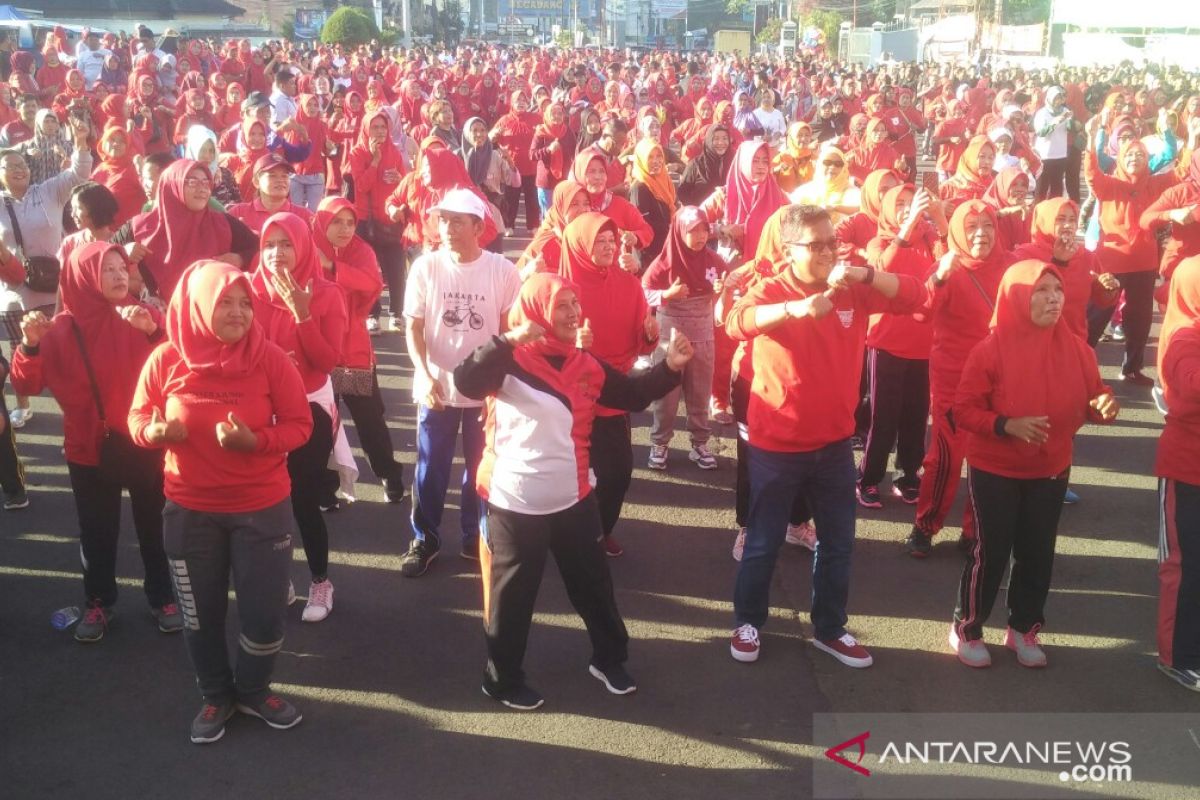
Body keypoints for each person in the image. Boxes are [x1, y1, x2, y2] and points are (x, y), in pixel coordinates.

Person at [453, 272, 692, 710]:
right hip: (515, 502)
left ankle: (609, 659)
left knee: (594, 586)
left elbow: (633, 394)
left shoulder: (587, 364)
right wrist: (507, 339)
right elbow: (464, 381)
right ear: (537, 309)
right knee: (513, 598)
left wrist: (671, 367)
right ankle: (501, 679)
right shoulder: (508, 361)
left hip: (574, 498)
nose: (572, 313)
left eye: (574, 304)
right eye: (561, 304)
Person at [725, 203, 924, 668]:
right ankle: (748, 621)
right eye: (816, 245)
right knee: (762, 542)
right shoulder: (773, 287)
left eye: (832, 243)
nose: (828, 252)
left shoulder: (852, 289)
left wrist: (866, 275)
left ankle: (829, 629)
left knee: (838, 543)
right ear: (790, 249)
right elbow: (736, 321)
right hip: (777, 444)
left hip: (834, 444)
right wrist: (795, 309)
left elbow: (914, 297)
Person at [128, 260, 312, 744]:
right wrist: (154, 432)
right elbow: (136, 417)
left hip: (262, 508)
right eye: (225, 302)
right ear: (197, 305)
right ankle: (215, 694)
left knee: (265, 615)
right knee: (199, 613)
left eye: (245, 303)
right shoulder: (166, 359)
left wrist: (257, 442)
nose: (238, 312)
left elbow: (301, 425)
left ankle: (253, 690)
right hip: (190, 510)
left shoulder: (270, 358)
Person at [950, 261, 1118, 668]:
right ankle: (966, 628)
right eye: (1041, 290)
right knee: (990, 551)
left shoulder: (1078, 347)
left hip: (1051, 467)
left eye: (1057, 290)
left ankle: (1023, 628)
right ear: (1016, 296)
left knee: (1037, 552)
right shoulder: (990, 349)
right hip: (996, 469)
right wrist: (1006, 424)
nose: (1053, 298)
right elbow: (963, 410)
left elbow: (1095, 395)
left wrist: (1104, 406)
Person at [10, 242, 178, 642]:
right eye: (108, 269)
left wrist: (154, 331)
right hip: (89, 445)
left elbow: (179, 369)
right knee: (97, 530)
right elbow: (25, 385)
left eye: (123, 267)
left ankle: (163, 597)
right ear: (83, 277)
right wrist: (30, 344)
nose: (121, 276)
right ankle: (98, 602)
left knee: (155, 526)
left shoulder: (141, 314)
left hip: (144, 439)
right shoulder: (59, 329)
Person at [401, 189, 520, 577]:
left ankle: (475, 535)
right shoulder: (425, 267)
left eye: (456, 221)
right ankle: (425, 537)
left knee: (479, 468)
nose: (446, 228)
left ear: (478, 227)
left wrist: (501, 385)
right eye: (442, 219)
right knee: (429, 468)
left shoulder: (503, 270)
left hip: (484, 394)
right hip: (436, 388)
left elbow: (508, 333)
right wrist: (422, 371)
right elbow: (413, 326)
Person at [250, 212, 348, 622]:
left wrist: (302, 314)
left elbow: (328, 361)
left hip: (308, 407)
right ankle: (279, 579)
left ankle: (320, 581)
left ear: (303, 246)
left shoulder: (325, 293)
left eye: (286, 244)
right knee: (266, 502)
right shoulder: (247, 290)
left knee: (303, 499)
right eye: (269, 245)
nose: (276, 253)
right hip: (259, 408)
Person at [908, 201, 1014, 557]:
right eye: (971, 227)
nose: (981, 233)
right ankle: (925, 525)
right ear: (956, 231)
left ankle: (973, 531)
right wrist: (939, 277)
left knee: (987, 459)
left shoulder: (1011, 266)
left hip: (998, 378)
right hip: (953, 378)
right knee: (945, 458)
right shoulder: (947, 269)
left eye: (987, 225)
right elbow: (921, 314)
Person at [560, 212, 658, 555]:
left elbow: (643, 343)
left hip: (613, 389)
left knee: (617, 474)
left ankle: (601, 530)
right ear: (580, 245)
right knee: (569, 475)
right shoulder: (560, 288)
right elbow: (536, 345)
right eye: (598, 241)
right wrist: (573, 343)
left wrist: (650, 334)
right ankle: (568, 537)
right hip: (568, 394)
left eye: (611, 241)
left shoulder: (629, 283)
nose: (607, 247)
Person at [1, 115, 92, 430]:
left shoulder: (48, 191)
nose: (18, 167)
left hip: (53, 286)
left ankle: (72, 408)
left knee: (61, 349)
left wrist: (80, 143)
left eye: (22, 163)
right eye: (10, 165)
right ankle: (23, 404)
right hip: (14, 291)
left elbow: (79, 174)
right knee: (21, 347)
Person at [312, 196, 405, 503]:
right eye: (336, 221)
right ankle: (325, 487)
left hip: (353, 351)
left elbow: (372, 285)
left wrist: (331, 267)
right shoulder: (305, 247)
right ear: (322, 221)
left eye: (350, 222)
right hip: (315, 351)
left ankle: (389, 474)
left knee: (370, 420)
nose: (344, 229)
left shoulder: (361, 250)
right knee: (320, 423)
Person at [857, 185, 937, 508]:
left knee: (916, 417)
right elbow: (881, 271)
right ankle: (868, 478)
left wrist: (939, 220)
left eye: (911, 204)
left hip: (924, 344)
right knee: (882, 417)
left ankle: (908, 476)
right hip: (886, 343)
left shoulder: (931, 242)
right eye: (900, 204)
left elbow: (951, 259)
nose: (907, 209)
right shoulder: (879, 242)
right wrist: (904, 231)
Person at [1083, 139, 1178, 386]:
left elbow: (1181, 171)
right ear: (1121, 159)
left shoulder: (1155, 184)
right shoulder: (1109, 184)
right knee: (1096, 317)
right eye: (1129, 155)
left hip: (1145, 263)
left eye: (1139, 155)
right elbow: (1092, 175)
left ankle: (1132, 368)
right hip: (1112, 261)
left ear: (1148, 160)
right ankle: (1077, 365)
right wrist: (1093, 143)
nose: (1134, 158)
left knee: (1140, 319)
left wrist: (1187, 137)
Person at [642, 207, 726, 471]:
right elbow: (643, 293)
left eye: (704, 229)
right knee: (666, 393)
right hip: (671, 334)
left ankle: (700, 442)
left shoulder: (713, 260)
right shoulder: (664, 262)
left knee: (700, 391)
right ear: (679, 232)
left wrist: (723, 289)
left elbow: (724, 286)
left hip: (703, 333)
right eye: (693, 231)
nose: (701, 236)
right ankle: (660, 442)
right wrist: (667, 294)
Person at [117, 159, 257, 303]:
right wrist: (124, 252)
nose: (202, 189)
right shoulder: (140, 226)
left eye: (205, 182)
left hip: (211, 311)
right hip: (155, 319)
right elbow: (101, 257)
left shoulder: (223, 224)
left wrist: (240, 258)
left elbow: (259, 248)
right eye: (192, 182)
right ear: (172, 185)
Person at [1155, 256, 1200, 692]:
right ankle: (1177, 656)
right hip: (1185, 469)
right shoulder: (1184, 335)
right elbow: (1190, 388)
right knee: (1183, 566)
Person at [344, 109, 406, 331]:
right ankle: (373, 314)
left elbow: (404, 186)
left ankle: (397, 313)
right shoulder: (358, 153)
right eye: (374, 127)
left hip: (390, 219)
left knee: (396, 268)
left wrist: (400, 179)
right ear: (366, 129)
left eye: (383, 127)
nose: (379, 132)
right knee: (370, 270)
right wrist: (375, 161)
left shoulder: (396, 152)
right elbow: (361, 186)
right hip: (365, 220)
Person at [227, 153, 313, 235]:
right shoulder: (238, 213)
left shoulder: (304, 216)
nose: (280, 180)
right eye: (272, 175)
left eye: (285, 176)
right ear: (256, 182)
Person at [628, 138, 676, 267]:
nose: (656, 161)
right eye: (650, 157)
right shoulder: (639, 188)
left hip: (665, 249)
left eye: (659, 156)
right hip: (648, 256)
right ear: (641, 160)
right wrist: (670, 227)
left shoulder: (665, 181)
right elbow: (642, 224)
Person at [91, 126, 147, 229]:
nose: (116, 144)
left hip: (129, 233)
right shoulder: (99, 170)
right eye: (112, 139)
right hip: (104, 232)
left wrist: (142, 171)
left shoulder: (134, 168)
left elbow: (151, 193)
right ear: (103, 143)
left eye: (122, 141)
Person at [677, 124, 733, 207]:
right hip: (700, 215)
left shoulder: (734, 163)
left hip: (728, 216)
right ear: (709, 141)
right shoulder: (696, 164)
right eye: (716, 139)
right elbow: (683, 193)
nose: (721, 143)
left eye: (725, 138)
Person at [1033, 87, 1073, 201]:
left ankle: (1054, 213)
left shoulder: (1065, 111)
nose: (1058, 101)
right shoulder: (1042, 113)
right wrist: (1055, 122)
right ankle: (1038, 213)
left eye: (1060, 98)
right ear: (1050, 98)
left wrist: (1070, 119)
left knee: (1057, 188)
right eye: (1056, 98)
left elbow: (1070, 128)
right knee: (1042, 187)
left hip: (1060, 154)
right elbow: (1040, 132)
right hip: (1044, 155)